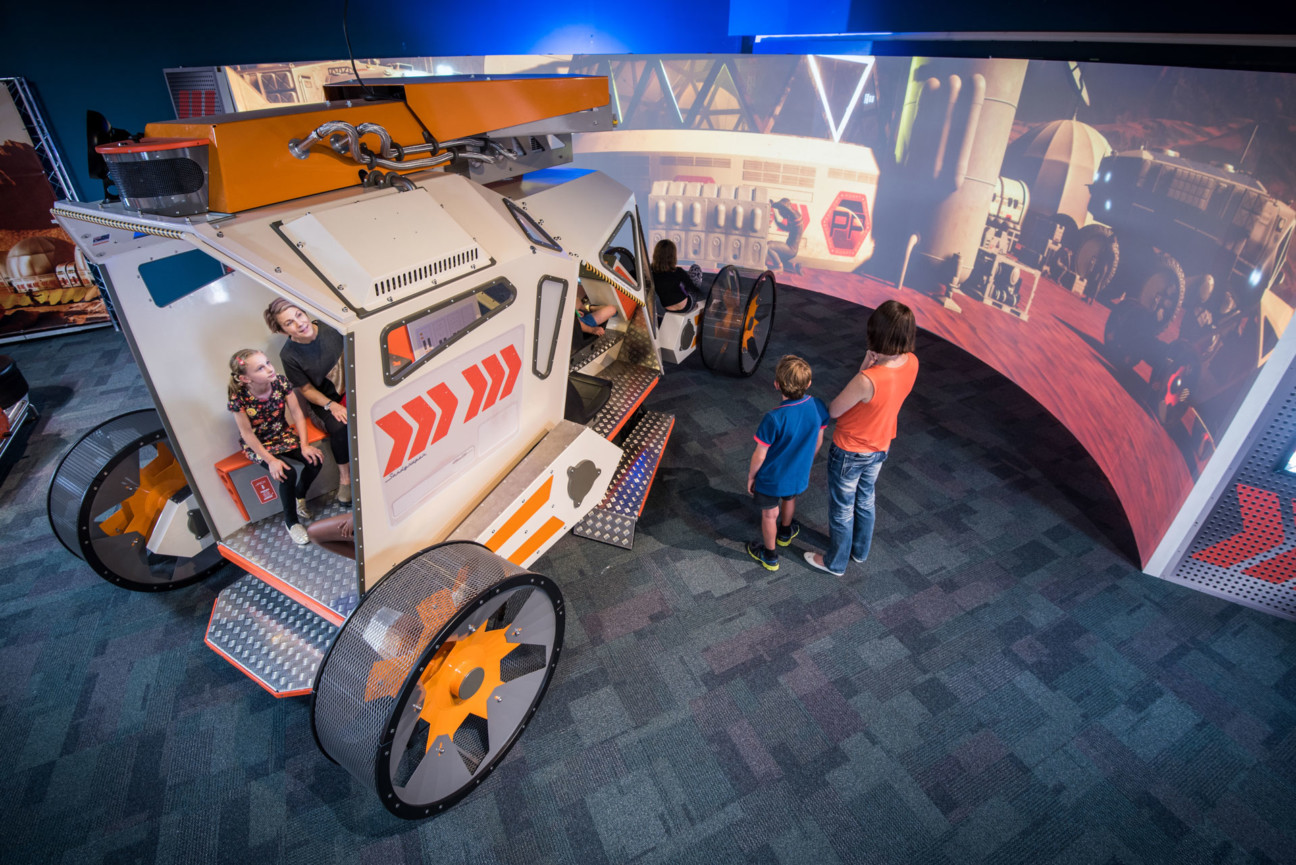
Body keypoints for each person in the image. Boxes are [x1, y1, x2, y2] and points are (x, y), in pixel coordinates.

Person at [805, 300, 918, 576]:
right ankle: (859, 551)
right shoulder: (912, 362)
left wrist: (863, 369)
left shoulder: (868, 380)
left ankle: (835, 562)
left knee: (842, 508)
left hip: (850, 450)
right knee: (866, 498)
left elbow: (834, 410)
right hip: (881, 446)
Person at [226, 349, 323, 545]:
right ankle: (291, 522)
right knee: (287, 474)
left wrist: (304, 445)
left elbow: (296, 412)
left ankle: (299, 496)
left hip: (282, 435)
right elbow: (247, 434)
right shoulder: (239, 398)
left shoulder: (280, 382)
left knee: (315, 460)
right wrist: (270, 460)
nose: (269, 369)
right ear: (245, 378)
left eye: (268, 363)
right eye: (260, 368)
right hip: (259, 445)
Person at [746, 355, 830, 571]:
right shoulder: (818, 406)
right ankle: (785, 532)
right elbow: (818, 440)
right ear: (808, 383)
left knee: (769, 513)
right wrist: (805, 461)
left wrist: (752, 475)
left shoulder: (774, 418)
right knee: (790, 498)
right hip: (798, 473)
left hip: (772, 478)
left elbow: (760, 454)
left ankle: (770, 555)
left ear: (776, 385)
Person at [265, 298, 352, 505]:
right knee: (339, 426)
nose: (299, 323)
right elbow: (306, 390)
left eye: (299, 315)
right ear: (282, 330)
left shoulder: (332, 327)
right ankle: (346, 479)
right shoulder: (289, 355)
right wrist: (332, 405)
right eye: (289, 323)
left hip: (354, 388)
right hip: (324, 402)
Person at [650, 239, 693, 312]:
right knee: (695, 270)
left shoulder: (651, 273)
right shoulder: (678, 271)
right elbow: (690, 287)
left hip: (668, 308)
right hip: (684, 306)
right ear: (673, 256)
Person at [767, 198, 806, 274]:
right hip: (790, 248)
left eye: (780, 211)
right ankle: (794, 266)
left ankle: (779, 268)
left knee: (768, 245)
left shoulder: (795, 215)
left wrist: (774, 204)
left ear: (785, 209)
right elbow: (786, 228)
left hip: (790, 250)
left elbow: (787, 208)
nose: (780, 214)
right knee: (780, 259)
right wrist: (776, 221)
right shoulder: (792, 218)